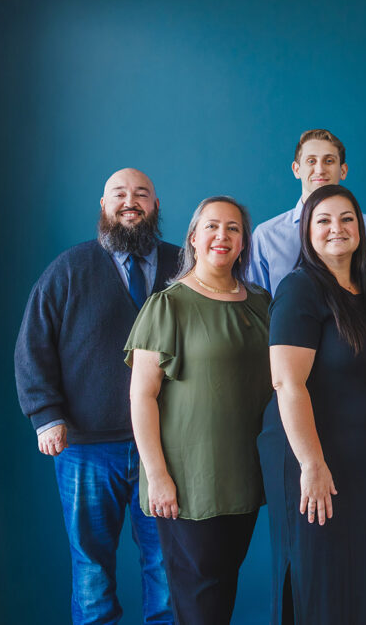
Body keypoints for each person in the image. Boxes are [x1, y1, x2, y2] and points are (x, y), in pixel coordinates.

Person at [15, 168, 177, 625]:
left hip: (166, 448)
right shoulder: (69, 269)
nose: (130, 201)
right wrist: (46, 415)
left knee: (167, 569)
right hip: (86, 448)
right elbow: (32, 344)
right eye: (119, 194)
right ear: (103, 206)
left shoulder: (183, 266)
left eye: (141, 194)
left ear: (156, 206)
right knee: (91, 572)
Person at [257, 184, 366, 624]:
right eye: (323, 220)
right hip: (310, 453)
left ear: (361, 229)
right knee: (319, 579)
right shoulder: (299, 289)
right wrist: (312, 464)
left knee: (363, 577)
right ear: (307, 231)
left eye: (346, 219)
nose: (337, 228)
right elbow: (287, 382)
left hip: (365, 456)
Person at [126, 196, 272, 624]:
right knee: (199, 603)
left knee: (221, 593)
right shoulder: (168, 305)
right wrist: (157, 477)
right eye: (211, 226)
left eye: (232, 228)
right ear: (193, 237)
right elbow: (141, 397)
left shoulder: (260, 303)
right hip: (188, 483)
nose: (221, 236)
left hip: (243, 477)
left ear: (243, 242)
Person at [249, 128, 366, 296]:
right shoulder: (266, 236)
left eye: (329, 161)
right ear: (296, 169)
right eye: (311, 161)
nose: (320, 170)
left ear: (343, 170)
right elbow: (258, 307)